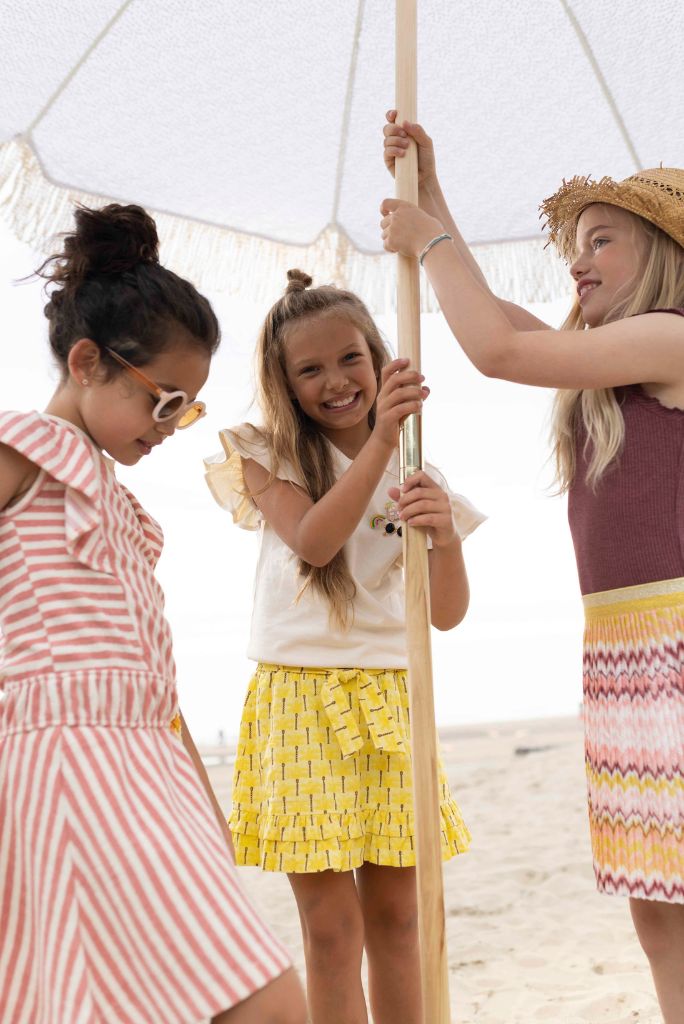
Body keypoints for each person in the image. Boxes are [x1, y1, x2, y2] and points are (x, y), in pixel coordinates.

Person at [381, 110, 684, 1022]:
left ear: (668, 257)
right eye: (575, 244)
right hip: (624, 652)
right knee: (657, 904)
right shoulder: (606, 367)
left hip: (673, 642)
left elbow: (501, 352)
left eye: (603, 241)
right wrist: (434, 202)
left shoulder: (673, 334)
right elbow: (504, 320)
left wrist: (426, 240)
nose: (578, 259)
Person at [0, 203, 306, 1024]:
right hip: (71, 768)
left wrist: (206, 818)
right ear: (89, 361)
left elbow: (157, 694)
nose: (174, 426)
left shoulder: (119, 504)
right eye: (165, 401)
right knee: (266, 1005)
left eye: (189, 409)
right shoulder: (23, 450)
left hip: (150, 771)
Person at [204, 269, 485, 1024]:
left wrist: (446, 535)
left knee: (400, 917)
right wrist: (383, 442)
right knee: (332, 929)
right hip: (301, 698)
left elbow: (448, 614)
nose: (336, 381)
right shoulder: (266, 454)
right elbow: (315, 542)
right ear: (285, 383)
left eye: (351, 359)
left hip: (393, 696)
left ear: (379, 356)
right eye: (310, 369)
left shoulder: (419, 471)